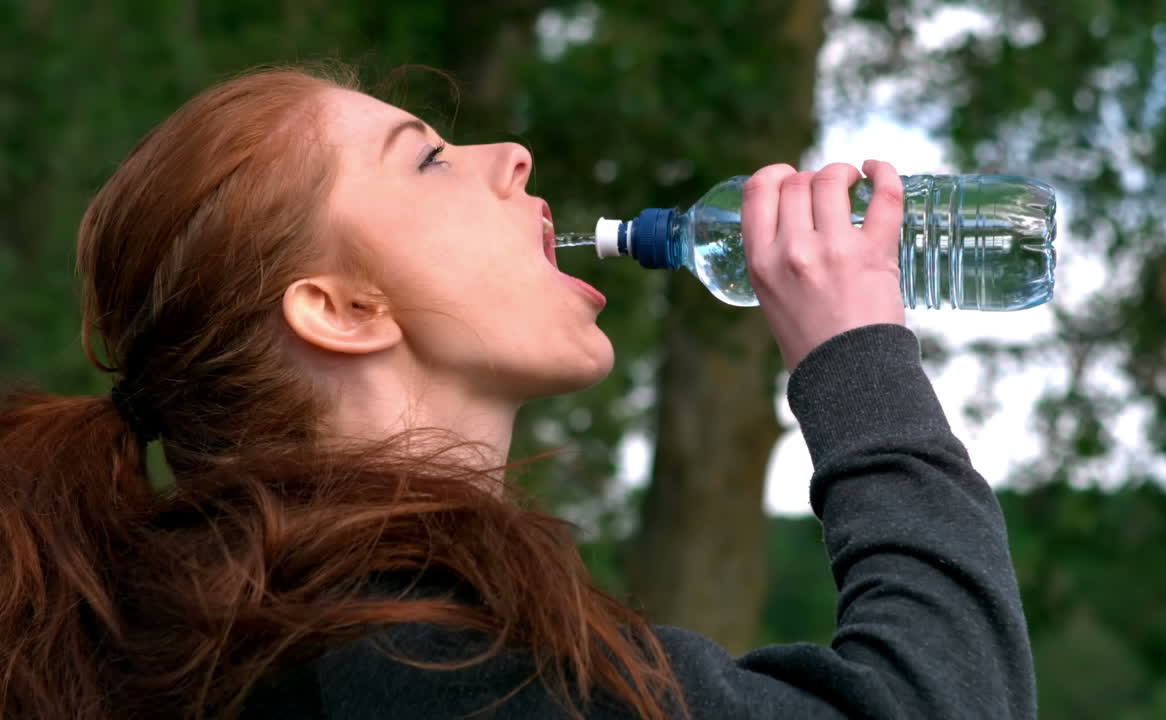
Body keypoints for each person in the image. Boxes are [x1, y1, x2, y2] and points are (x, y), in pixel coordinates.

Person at [0, 66, 1035, 719]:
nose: (512, 158)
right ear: (342, 309)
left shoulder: (327, 642)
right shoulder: (418, 672)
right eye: (429, 161)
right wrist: (853, 355)